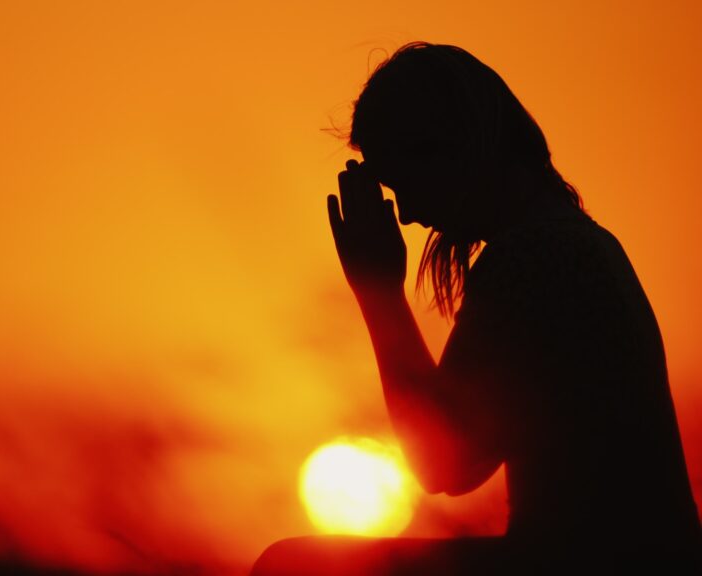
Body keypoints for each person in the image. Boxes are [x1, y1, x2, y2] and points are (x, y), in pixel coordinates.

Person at [251, 41, 702, 575]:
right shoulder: (579, 244)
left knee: (293, 567)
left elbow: (446, 463)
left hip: (599, 562)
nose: (412, 214)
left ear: (453, 148)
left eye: (408, 184)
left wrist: (378, 291)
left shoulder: (537, 256)